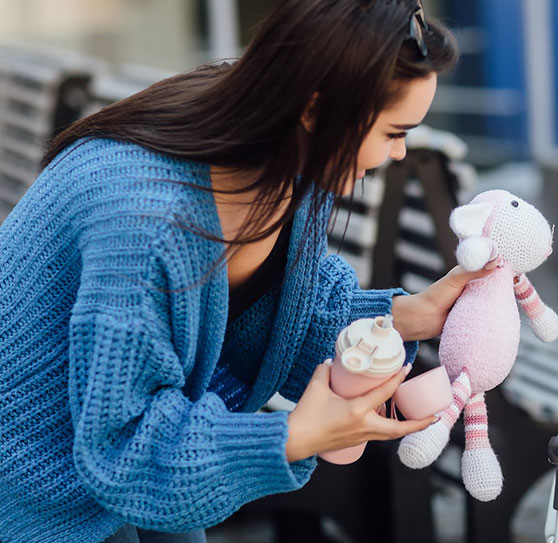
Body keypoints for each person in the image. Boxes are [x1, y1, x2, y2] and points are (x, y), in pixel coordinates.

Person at [0, 1, 485, 542]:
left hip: (150, 452)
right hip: (39, 492)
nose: (398, 153)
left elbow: (280, 303)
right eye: (394, 132)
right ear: (316, 108)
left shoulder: (285, 152)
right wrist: (293, 437)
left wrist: (407, 316)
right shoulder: (148, 222)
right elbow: (125, 447)